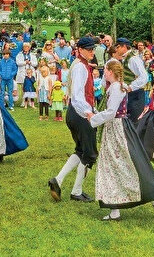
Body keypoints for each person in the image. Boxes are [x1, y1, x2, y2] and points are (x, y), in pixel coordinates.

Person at [89, 59, 154, 221]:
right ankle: (114, 209)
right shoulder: (116, 87)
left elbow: (111, 112)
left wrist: (93, 118)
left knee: (126, 165)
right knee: (113, 166)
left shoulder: (116, 88)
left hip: (118, 129)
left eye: (105, 71)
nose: (104, 74)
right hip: (114, 129)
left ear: (110, 71)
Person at [48, 36, 97, 203]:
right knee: (89, 154)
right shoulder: (80, 68)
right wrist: (88, 112)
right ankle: (76, 191)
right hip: (80, 113)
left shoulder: (80, 65)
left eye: (93, 49)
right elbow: (77, 95)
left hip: (74, 113)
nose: (92, 52)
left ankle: (58, 180)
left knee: (81, 150)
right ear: (80, 50)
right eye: (89, 49)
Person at [113, 38, 148, 121]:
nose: (116, 49)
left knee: (134, 122)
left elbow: (144, 77)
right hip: (130, 95)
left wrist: (131, 87)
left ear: (124, 47)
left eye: (118, 47)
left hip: (136, 95)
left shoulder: (133, 59)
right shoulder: (125, 58)